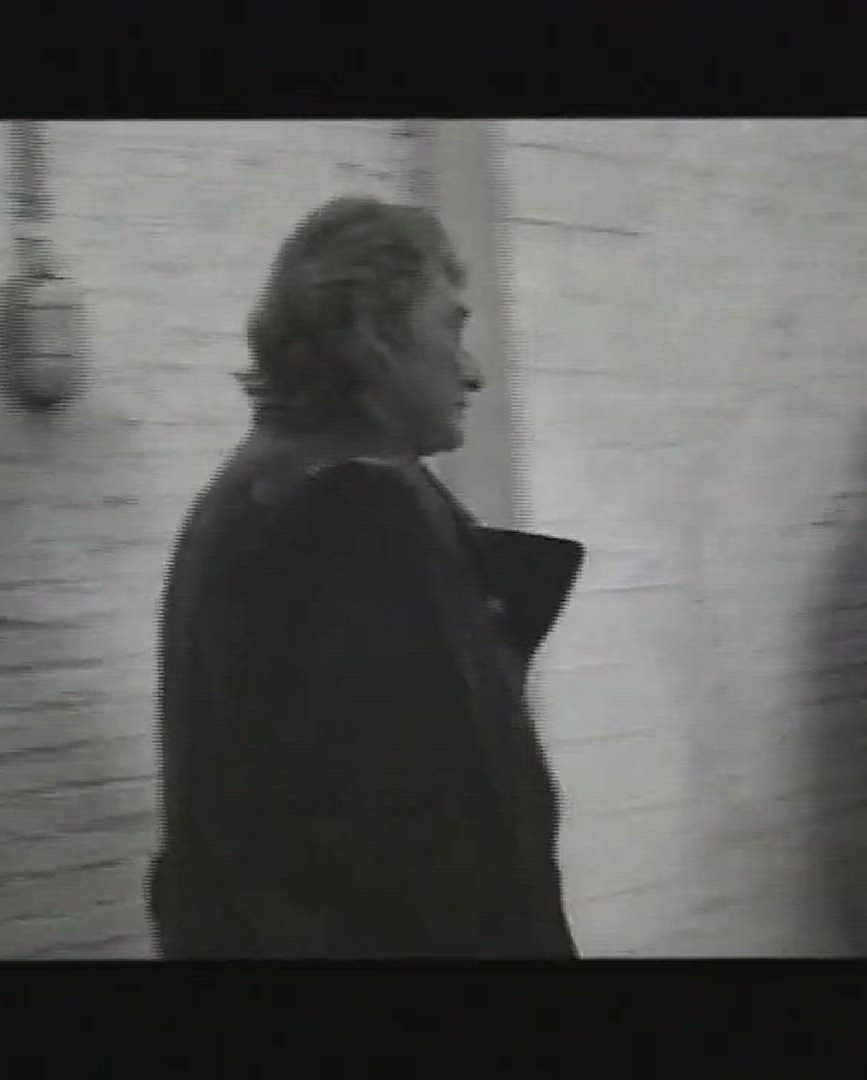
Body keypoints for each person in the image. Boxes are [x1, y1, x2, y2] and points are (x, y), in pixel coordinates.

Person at [145, 197, 585, 958]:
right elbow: (448, 847)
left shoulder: (251, 486)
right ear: (372, 333)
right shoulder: (361, 507)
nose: (473, 370)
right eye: (450, 327)